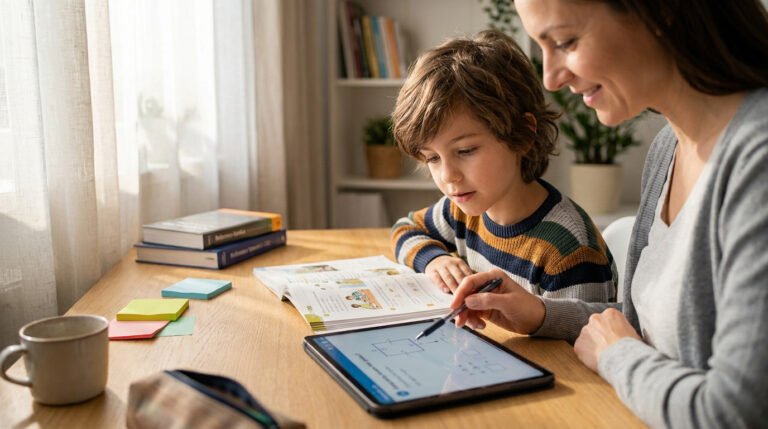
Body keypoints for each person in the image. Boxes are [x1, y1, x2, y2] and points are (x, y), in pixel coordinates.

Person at [451, 1, 768, 427]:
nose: (551, 77)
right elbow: (637, 328)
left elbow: (733, 413)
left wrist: (616, 356)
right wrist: (542, 313)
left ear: (661, 12)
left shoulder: (757, 163)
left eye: (564, 41)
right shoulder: (667, 150)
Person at [390, 30, 616, 303]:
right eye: (433, 158)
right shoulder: (460, 211)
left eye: (465, 151)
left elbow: (581, 342)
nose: (448, 176)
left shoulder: (569, 250)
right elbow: (404, 229)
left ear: (522, 133)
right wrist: (434, 260)